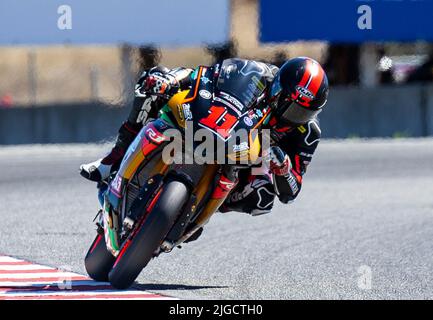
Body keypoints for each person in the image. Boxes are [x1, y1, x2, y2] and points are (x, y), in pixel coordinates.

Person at [80, 57, 329, 216]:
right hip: (214, 126)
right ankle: (112, 160)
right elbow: (204, 75)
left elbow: (291, 192)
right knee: (153, 83)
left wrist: (282, 166)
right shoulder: (257, 73)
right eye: (290, 105)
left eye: (301, 112)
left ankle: (202, 208)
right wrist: (170, 79)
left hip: (244, 161)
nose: (291, 114)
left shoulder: (307, 133)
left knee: (263, 199)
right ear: (278, 89)